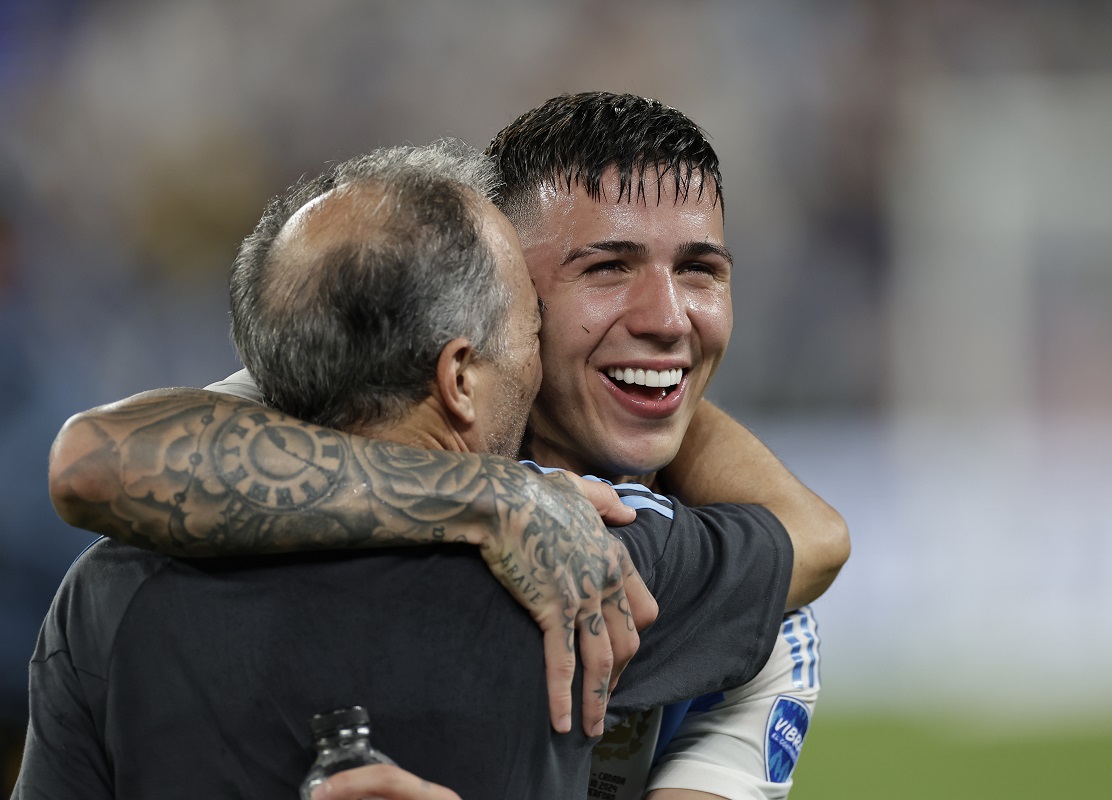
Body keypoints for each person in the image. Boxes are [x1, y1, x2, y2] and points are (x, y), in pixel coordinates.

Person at [43, 93, 850, 799]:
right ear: (479, 325)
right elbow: (98, 461)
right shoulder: (622, 573)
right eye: (606, 269)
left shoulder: (107, 594)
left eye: (701, 271)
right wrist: (499, 499)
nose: (668, 316)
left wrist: (635, 375)